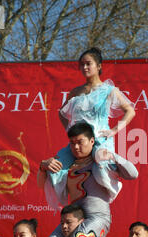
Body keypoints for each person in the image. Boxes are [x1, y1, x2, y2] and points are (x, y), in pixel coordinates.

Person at [37, 122, 138, 237]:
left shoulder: (102, 161)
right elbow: (41, 185)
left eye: (80, 142)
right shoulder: (65, 165)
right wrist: (43, 167)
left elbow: (133, 174)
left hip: (98, 218)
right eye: (72, 143)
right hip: (74, 219)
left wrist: (113, 156)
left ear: (91, 141)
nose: (76, 147)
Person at [50, 47, 136, 205]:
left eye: (88, 64)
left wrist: (114, 130)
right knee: (57, 166)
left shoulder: (109, 90)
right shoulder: (75, 92)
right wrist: (70, 131)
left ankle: (104, 199)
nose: (85, 68)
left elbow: (130, 111)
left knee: (101, 167)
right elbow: (61, 113)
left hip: (100, 140)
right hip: (78, 141)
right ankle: (67, 204)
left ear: (99, 66)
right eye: (81, 65)